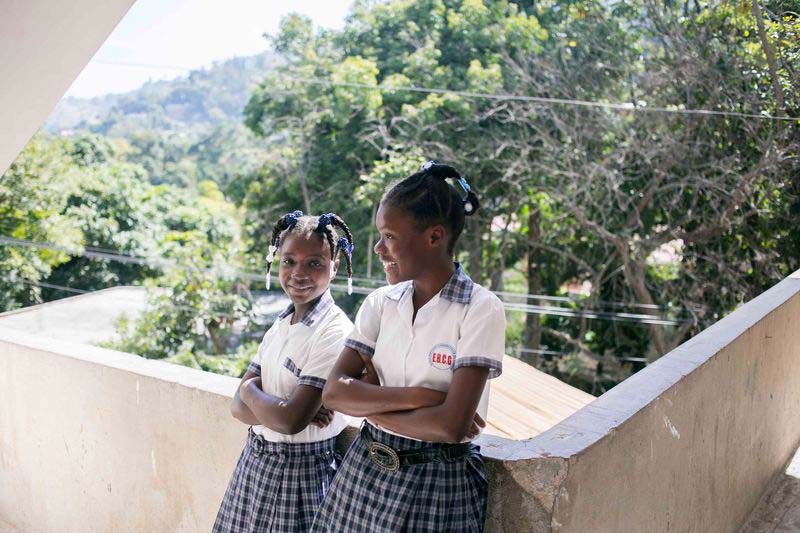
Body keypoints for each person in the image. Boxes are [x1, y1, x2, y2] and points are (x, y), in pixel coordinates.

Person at [312, 161, 506, 532]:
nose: (378, 248)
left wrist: (372, 401)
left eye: (389, 236)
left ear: (434, 237)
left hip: (436, 483)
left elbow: (450, 427)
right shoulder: (381, 304)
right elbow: (335, 393)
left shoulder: (480, 309)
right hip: (364, 472)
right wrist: (423, 395)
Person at [213, 210, 356, 533]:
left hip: (299, 475)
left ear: (334, 267)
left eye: (315, 263)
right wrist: (279, 404)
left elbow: (290, 421)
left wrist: (252, 391)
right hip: (256, 462)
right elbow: (237, 408)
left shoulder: (334, 332)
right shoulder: (280, 325)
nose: (298, 273)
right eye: (289, 261)